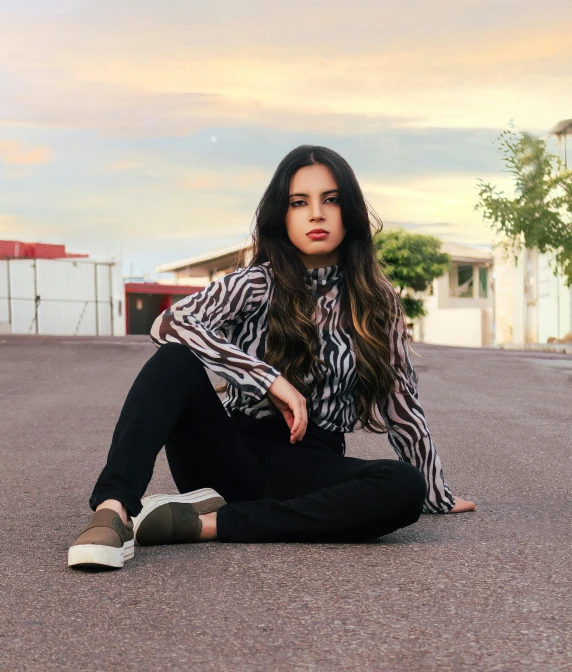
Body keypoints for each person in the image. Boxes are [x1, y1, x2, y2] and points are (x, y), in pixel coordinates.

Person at [68, 145, 476, 569]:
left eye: (330, 200)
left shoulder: (377, 301)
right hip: (228, 455)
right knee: (175, 361)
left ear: (349, 211)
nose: (316, 214)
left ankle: (204, 524)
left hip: (311, 468)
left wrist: (433, 492)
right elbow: (169, 323)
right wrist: (266, 379)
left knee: (400, 487)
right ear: (282, 214)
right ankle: (113, 511)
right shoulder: (254, 284)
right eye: (300, 202)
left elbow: (400, 401)